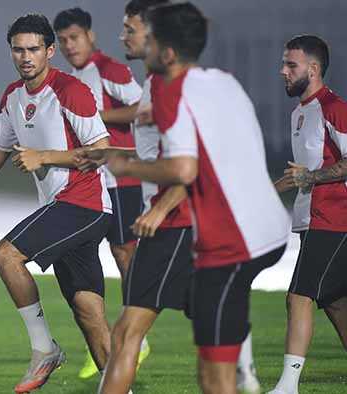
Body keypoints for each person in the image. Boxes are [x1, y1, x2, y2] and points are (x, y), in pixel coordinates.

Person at [96, 3, 290, 393]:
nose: (139, 43)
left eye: (147, 39)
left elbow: (185, 170)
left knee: (208, 373)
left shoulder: (171, 91)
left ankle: (240, 363)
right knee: (207, 354)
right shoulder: (221, 79)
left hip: (231, 242)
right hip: (265, 230)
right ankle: (242, 359)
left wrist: (125, 167)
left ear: (166, 52)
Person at [0, 13, 114, 394]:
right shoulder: (13, 96)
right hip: (63, 208)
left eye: (34, 49)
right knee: (89, 311)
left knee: (6, 255)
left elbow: (102, 150)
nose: (26, 56)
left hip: (85, 205)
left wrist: (45, 157)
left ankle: (44, 349)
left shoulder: (71, 90)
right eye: (18, 49)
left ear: (50, 51)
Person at [52, 7, 150, 379]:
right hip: (94, 182)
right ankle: (109, 340)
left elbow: (143, 107)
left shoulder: (108, 69)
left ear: (90, 36)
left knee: (125, 253)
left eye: (74, 37)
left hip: (121, 177)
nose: (68, 45)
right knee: (98, 256)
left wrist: (95, 117)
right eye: (62, 40)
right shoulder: (69, 77)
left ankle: (136, 337)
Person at [269, 35, 347, 394]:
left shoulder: (334, 108)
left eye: (291, 65)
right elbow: (300, 173)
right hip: (312, 220)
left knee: (298, 296)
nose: (283, 71)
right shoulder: (300, 112)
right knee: (334, 302)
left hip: (334, 219)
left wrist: (311, 178)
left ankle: (287, 387)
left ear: (313, 69)